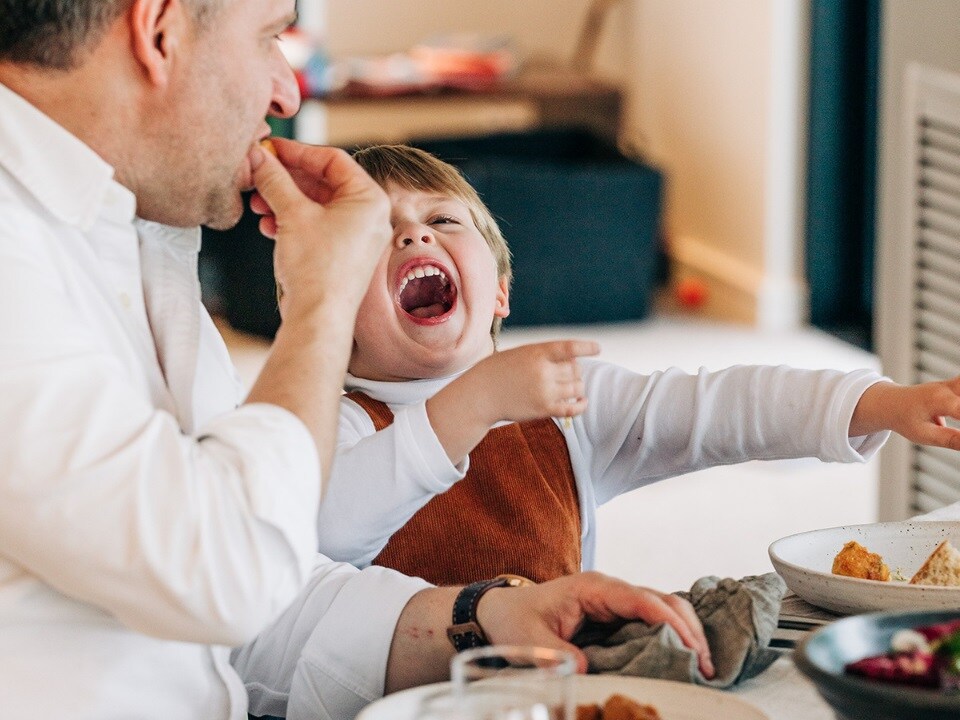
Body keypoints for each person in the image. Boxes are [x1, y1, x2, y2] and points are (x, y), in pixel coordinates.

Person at [0, 3, 715, 719]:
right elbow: (229, 572)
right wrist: (321, 302)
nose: (287, 92)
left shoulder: (138, 236)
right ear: (159, 33)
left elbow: (260, 608)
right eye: (270, 38)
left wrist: (484, 618)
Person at [315, 143, 960, 587]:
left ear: (501, 291)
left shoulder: (563, 400)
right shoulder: (328, 430)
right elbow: (330, 529)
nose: (414, 235)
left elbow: (725, 407)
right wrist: (474, 401)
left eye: (441, 219)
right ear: (329, 314)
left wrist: (883, 403)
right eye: (376, 233)